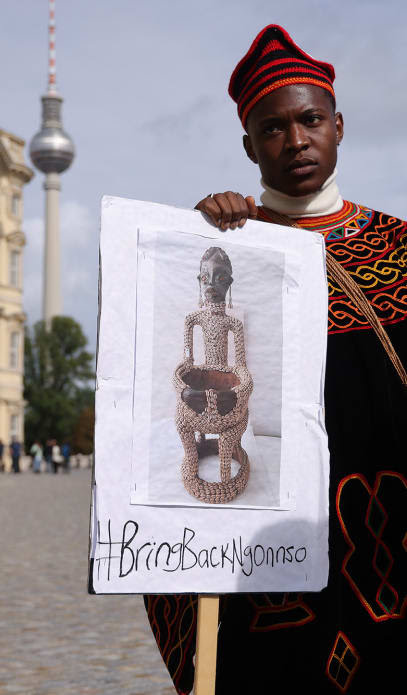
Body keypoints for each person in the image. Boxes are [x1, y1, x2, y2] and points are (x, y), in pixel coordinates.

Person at [144, 25, 407, 694]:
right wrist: (194, 242)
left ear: (338, 126)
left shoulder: (399, 248)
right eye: (272, 128)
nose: (295, 141)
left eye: (310, 120)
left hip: (386, 548)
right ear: (249, 146)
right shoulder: (227, 255)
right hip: (268, 572)